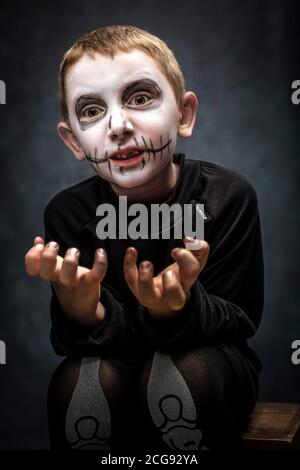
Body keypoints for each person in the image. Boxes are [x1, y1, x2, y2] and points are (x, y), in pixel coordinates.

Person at [25, 25, 264, 451]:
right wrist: (83, 310)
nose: (118, 125)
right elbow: (71, 342)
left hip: (208, 365)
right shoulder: (68, 214)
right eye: (93, 111)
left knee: (185, 373)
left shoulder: (227, 196)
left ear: (184, 115)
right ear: (73, 141)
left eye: (139, 98)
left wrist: (177, 309)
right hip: (114, 365)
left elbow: (242, 318)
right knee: (79, 381)